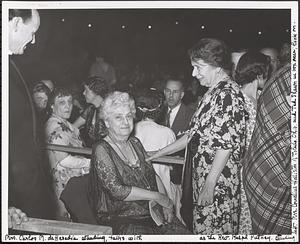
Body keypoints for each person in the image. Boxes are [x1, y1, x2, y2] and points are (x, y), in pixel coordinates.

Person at [148, 38, 247, 234]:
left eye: (198, 67)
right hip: (205, 178)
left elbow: (226, 145)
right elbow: (192, 135)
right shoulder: (212, 92)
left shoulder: (227, 94)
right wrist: (156, 154)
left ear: (217, 66)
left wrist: (209, 185)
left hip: (218, 184)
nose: (194, 73)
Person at [88, 91, 190, 234]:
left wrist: (166, 203)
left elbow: (152, 174)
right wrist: (158, 197)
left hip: (151, 212)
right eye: (118, 117)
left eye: (128, 116)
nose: (125, 122)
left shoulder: (135, 142)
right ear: (107, 122)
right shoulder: (101, 148)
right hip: (124, 218)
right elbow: (118, 191)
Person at [8, 9, 55, 221]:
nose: (34, 40)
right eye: (32, 31)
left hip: (24, 196)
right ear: (16, 23)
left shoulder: (11, 65)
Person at [242, 62, 291, 234]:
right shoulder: (244, 102)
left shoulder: (266, 92)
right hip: (267, 175)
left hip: (258, 170)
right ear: (258, 75)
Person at [234, 51, 271, 234]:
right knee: (244, 222)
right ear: (259, 74)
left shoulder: (262, 98)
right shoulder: (237, 101)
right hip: (242, 174)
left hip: (261, 172)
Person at [134, 88, 183, 222]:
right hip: (163, 192)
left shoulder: (130, 130)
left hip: (137, 190)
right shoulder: (167, 133)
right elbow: (172, 167)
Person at [45, 87, 90, 220]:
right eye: (62, 102)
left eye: (70, 102)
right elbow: (64, 160)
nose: (68, 106)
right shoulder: (55, 126)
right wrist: (90, 163)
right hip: (65, 185)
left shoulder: (64, 123)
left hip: (72, 182)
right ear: (52, 106)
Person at [161, 77, 195, 186]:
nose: (170, 95)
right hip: (159, 172)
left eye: (175, 92)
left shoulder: (192, 115)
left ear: (182, 94)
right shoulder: (157, 112)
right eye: (168, 91)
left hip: (180, 176)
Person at [73, 76, 110, 147]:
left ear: (96, 92)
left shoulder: (109, 110)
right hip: (90, 151)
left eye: (86, 90)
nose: (83, 93)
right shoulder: (90, 109)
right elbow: (73, 127)